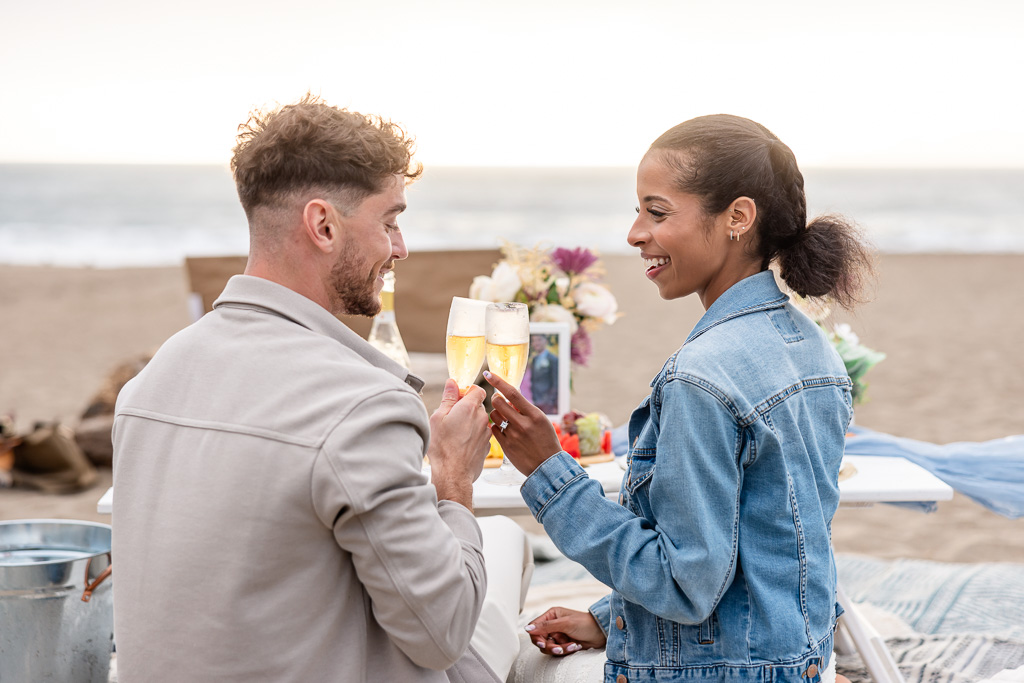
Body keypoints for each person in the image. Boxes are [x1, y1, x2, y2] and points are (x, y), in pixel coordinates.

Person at [112, 95, 525, 682]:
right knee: (504, 543)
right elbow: (443, 632)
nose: (400, 248)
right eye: (389, 222)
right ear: (323, 225)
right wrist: (453, 479)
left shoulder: (151, 383)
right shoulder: (359, 405)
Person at [486, 114, 873, 683]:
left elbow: (685, 583)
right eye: (638, 211)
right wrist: (610, 618)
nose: (635, 232)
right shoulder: (815, 352)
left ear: (738, 218)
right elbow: (763, 548)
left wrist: (548, 470)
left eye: (657, 212)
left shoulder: (702, 378)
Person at [524, 334, 559, 414]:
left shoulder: (553, 359)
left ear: (545, 341)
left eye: (539, 340)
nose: (536, 343)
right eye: (534, 341)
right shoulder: (534, 359)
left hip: (547, 402)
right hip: (534, 400)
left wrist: (550, 400)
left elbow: (555, 382)